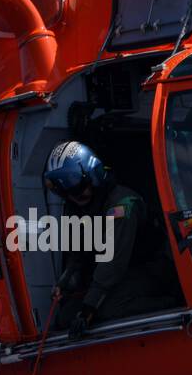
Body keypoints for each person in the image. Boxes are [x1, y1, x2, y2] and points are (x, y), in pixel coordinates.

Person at [43, 140, 174, 339]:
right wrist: (65, 282)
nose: (75, 197)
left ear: (93, 174)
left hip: (153, 268)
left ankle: (174, 302)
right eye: (67, 193)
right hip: (121, 275)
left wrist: (88, 310)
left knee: (105, 309)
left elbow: (113, 262)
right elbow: (78, 253)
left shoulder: (122, 205)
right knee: (66, 315)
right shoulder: (78, 206)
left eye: (78, 187)